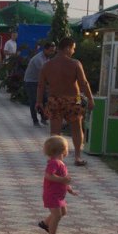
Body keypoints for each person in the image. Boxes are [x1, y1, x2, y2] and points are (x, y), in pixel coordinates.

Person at [37, 38, 94, 166]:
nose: (74, 51)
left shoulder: (47, 65)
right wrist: (90, 98)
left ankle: (55, 158)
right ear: (67, 48)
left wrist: (39, 101)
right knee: (77, 128)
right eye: (73, 48)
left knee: (55, 131)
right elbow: (84, 83)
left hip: (54, 99)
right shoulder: (75, 64)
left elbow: (40, 85)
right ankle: (78, 157)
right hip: (74, 99)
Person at [39, 135, 76, 234]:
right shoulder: (54, 162)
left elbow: (62, 179)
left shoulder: (59, 163)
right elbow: (48, 175)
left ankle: (45, 224)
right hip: (52, 195)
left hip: (58, 195)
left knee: (63, 212)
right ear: (63, 150)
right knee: (57, 215)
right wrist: (62, 180)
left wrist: (68, 188)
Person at [24, 42, 56, 126]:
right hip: (31, 81)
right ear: (45, 49)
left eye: (53, 51)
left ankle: (43, 118)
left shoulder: (47, 58)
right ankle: (35, 120)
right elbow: (45, 74)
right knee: (34, 101)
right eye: (51, 50)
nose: (52, 52)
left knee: (45, 99)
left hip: (38, 81)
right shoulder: (38, 59)